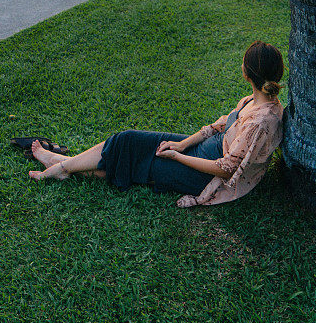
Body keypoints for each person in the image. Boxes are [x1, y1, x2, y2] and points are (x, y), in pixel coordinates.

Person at [29, 41, 285, 208]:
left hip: (205, 175)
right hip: (204, 150)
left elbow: (226, 168)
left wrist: (177, 156)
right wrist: (181, 143)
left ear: (247, 74)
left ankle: (61, 166)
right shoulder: (253, 100)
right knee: (128, 139)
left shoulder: (260, 122)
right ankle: (64, 165)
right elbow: (217, 127)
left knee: (136, 166)